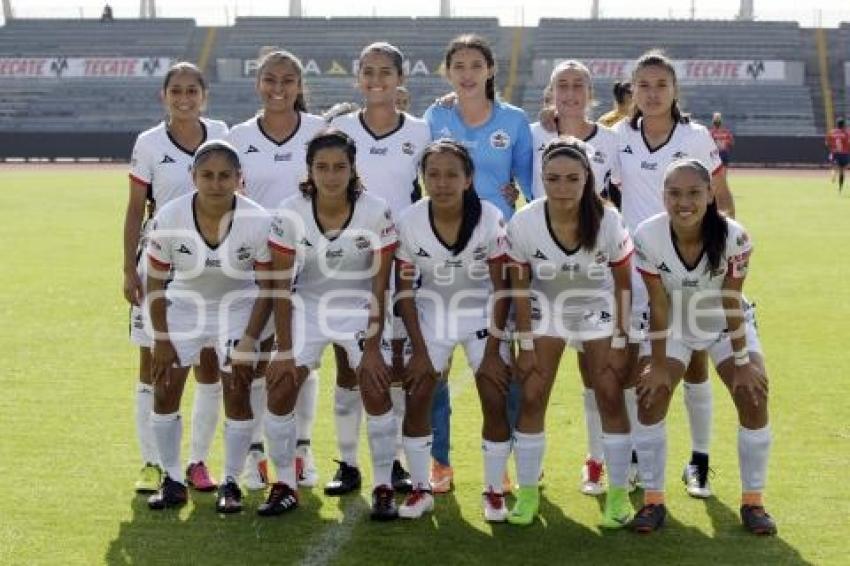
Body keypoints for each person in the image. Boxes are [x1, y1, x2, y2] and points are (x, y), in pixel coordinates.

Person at [631, 158, 775, 536]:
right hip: (675, 323)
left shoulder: (734, 237)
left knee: (753, 393)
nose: (684, 202)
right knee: (650, 393)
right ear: (663, 196)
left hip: (724, 324)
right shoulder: (647, 235)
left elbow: (732, 299)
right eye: (675, 193)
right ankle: (653, 499)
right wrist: (658, 363)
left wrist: (743, 361)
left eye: (694, 192)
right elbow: (658, 304)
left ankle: (754, 501)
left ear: (711, 194)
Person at [615, 50, 735, 499]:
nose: (651, 93)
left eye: (661, 85)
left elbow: (722, 198)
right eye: (643, 85)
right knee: (638, 363)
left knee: (696, 362)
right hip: (639, 269)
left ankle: (699, 460)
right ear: (632, 90)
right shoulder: (617, 137)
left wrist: (713, 258)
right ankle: (632, 456)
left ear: (674, 91)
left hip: (693, 266)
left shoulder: (696, 135)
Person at [264, 129, 400, 520]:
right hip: (307, 305)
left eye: (340, 166)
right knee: (281, 385)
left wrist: (372, 349)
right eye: (322, 167)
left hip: (359, 304)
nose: (331, 175)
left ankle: (384, 486)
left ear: (353, 168)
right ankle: (285, 483)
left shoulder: (376, 210)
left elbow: (380, 285)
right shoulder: (291, 210)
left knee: (375, 387)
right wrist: (284, 351)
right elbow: (279, 284)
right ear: (309, 170)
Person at [423, 33, 533, 493]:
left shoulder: (515, 120)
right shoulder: (436, 115)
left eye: (475, 65)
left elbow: (532, 184)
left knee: (500, 368)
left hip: (498, 256)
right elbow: (424, 178)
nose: (467, 73)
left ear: (490, 71)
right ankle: (439, 461)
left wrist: (514, 201)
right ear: (448, 72)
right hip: (442, 255)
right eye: (458, 66)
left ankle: (501, 461)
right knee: (435, 368)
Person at [507, 138, 634, 527]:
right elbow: (519, 286)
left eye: (571, 179)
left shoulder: (609, 220)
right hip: (547, 308)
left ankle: (617, 495)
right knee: (532, 396)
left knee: (610, 396)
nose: (561, 188)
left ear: (587, 180)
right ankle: (527, 493)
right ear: (542, 179)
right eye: (552, 179)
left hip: (596, 307)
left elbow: (624, 284)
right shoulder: (525, 221)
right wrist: (525, 344)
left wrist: (619, 339)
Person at [144, 140, 274, 513]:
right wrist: (162, 339)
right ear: (193, 177)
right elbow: (155, 283)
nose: (215, 183)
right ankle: (171, 480)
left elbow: (267, 288)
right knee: (165, 388)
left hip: (240, 305)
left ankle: (230, 482)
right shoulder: (169, 217)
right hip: (184, 304)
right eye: (207, 175)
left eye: (224, 176)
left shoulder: (258, 220)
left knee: (236, 390)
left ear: (238, 178)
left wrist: (250, 338)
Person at [328, 42, 431, 496]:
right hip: (348, 261)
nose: (376, 80)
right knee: (348, 366)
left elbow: (433, 191)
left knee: (395, 362)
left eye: (385, 72)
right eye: (367, 71)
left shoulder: (422, 131)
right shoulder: (339, 126)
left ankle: (397, 465)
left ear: (400, 79)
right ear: (357, 78)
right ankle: (348, 462)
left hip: (403, 258)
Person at [393, 140, 512, 521]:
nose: (441, 183)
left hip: (481, 314)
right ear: (423, 178)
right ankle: (420, 489)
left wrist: (494, 352)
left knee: (494, 397)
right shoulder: (409, 221)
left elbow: (502, 288)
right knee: (419, 396)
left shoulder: (490, 217)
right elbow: (405, 291)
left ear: (468, 179)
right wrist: (421, 351)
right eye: (433, 174)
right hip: (432, 313)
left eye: (451, 175)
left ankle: (494, 491)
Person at [124, 62, 228, 495]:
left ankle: (197, 461)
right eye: (176, 90)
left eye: (192, 90)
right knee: (153, 363)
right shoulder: (148, 143)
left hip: (213, 268)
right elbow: (134, 209)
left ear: (204, 95)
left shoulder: (222, 131)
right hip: (160, 265)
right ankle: (153, 462)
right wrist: (128, 268)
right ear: (163, 96)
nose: (184, 97)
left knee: (209, 365)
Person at [226, 49, 326, 491]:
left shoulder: (320, 130)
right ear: (258, 83)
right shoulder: (239, 135)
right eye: (270, 79)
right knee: (254, 358)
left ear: (300, 86)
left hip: (309, 263)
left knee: (300, 359)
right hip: (252, 263)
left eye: (288, 80)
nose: (279, 87)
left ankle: (301, 450)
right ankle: (254, 456)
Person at [531, 61, 624, 496]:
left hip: (593, 270)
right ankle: (529, 470)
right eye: (562, 86)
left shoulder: (613, 139)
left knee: (597, 375)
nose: (569, 93)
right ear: (550, 93)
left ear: (591, 93)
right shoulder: (532, 134)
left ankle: (597, 460)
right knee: (533, 378)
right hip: (542, 271)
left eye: (578, 85)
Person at [825, 117, 848, 193]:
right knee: (842, 171)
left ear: (837, 124)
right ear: (843, 125)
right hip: (845, 154)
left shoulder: (831, 132)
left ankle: (833, 174)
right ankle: (840, 188)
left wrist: (831, 148)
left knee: (833, 167)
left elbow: (827, 143)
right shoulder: (847, 133)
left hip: (835, 153)